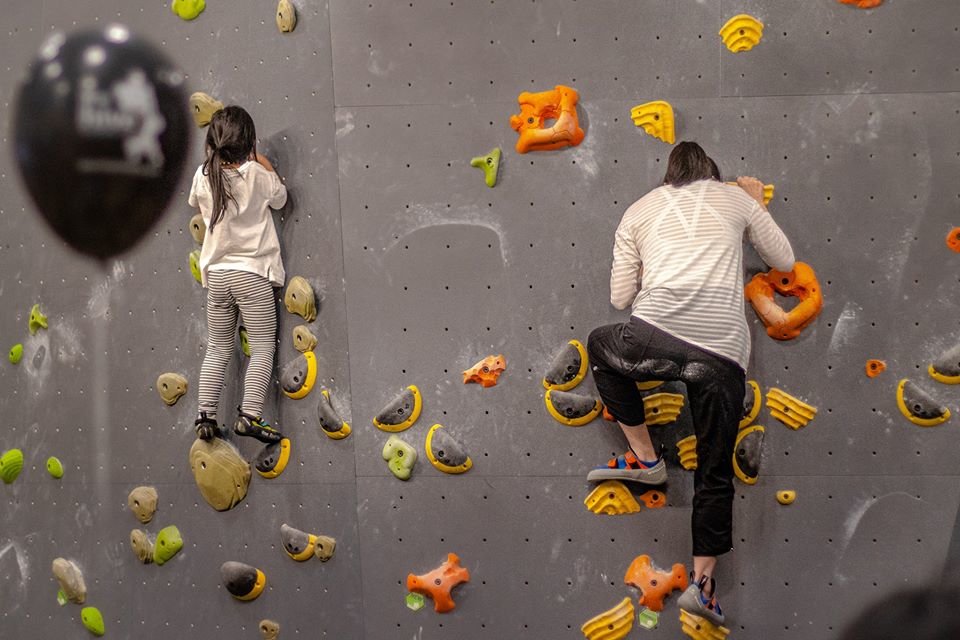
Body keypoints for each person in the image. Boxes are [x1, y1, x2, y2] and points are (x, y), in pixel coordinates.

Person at [586, 141, 795, 625]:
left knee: (602, 345)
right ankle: (703, 588)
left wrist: (650, 260)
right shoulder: (736, 199)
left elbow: (620, 298)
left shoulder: (638, 210)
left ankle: (644, 458)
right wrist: (754, 201)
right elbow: (783, 261)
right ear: (712, 173)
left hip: (654, 335)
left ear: (668, 176)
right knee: (715, 471)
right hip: (723, 352)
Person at [188, 105, 287, 444]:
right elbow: (281, 199)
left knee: (217, 347)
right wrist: (263, 163)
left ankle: (205, 417)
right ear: (250, 145)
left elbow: (194, 201)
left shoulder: (203, 176)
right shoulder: (256, 175)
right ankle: (250, 415)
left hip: (217, 276)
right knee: (261, 348)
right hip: (251, 275)